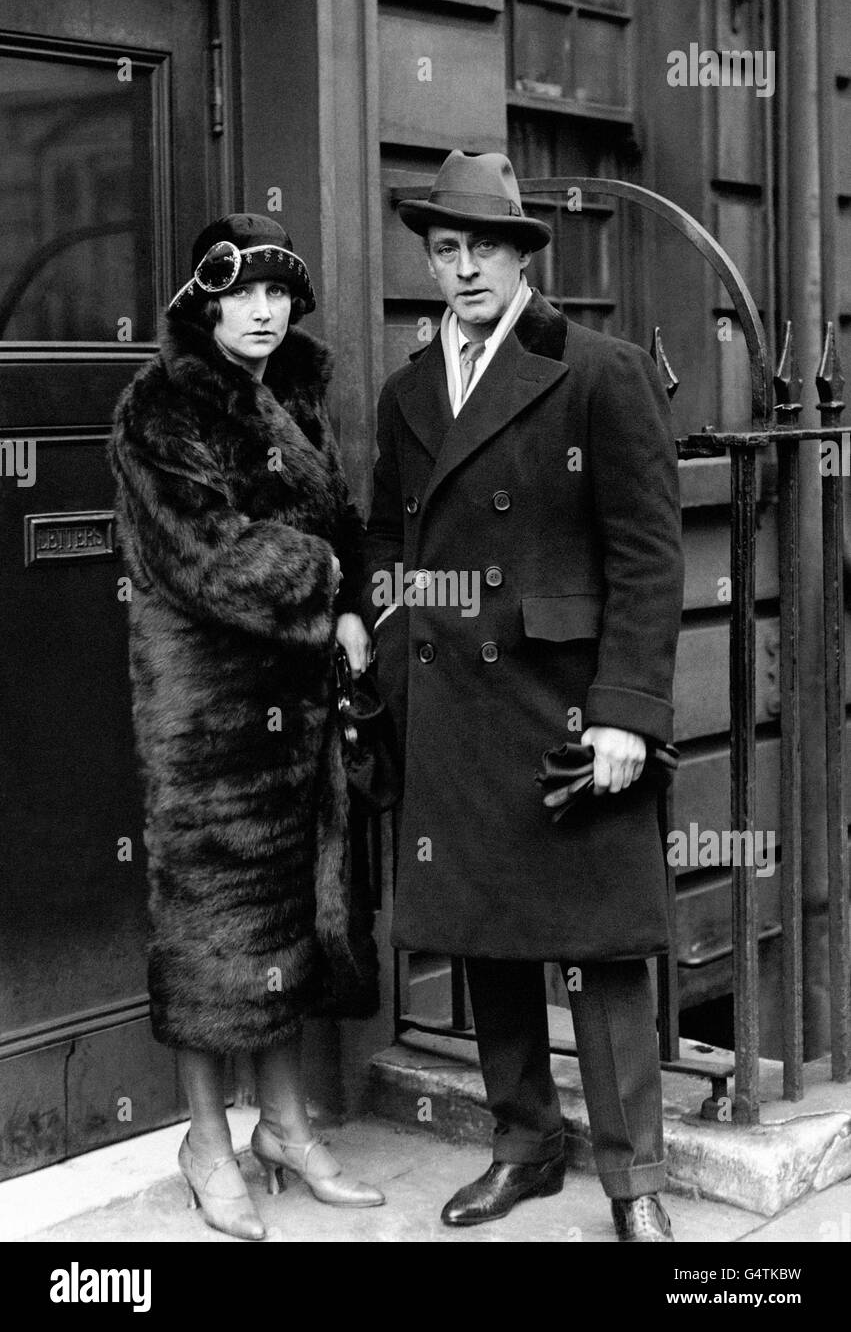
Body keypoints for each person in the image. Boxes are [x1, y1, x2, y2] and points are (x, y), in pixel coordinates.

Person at [364, 152, 684, 1241]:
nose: (462, 270)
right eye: (445, 250)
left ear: (520, 256)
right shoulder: (406, 391)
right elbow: (382, 533)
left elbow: (646, 555)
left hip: (565, 709)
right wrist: (381, 623)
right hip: (449, 706)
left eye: (483, 249)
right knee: (487, 936)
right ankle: (522, 1146)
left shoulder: (596, 369)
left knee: (597, 949)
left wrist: (626, 710)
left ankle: (633, 1183)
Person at [110, 213, 383, 1241]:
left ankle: (283, 1123)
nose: (265, 312)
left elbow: (340, 515)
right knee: (210, 921)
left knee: (282, 914)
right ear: (203, 299)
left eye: (280, 294)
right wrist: (328, 580)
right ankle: (204, 1141)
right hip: (206, 709)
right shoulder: (158, 407)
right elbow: (211, 555)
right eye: (244, 294)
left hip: (299, 692)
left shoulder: (299, 387)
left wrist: (351, 606)